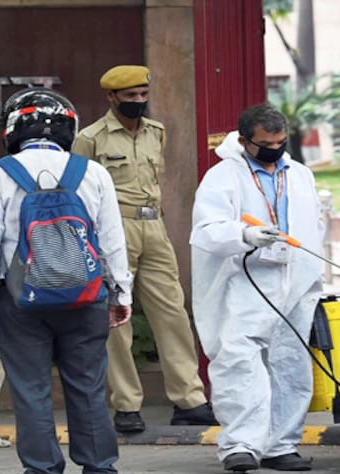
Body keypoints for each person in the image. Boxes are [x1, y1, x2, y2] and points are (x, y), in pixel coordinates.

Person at [0, 88, 133, 474]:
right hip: (87, 297)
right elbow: (112, 240)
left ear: (11, 129)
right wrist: (121, 291)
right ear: (69, 128)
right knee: (89, 385)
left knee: (31, 388)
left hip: (22, 301)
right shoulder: (92, 172)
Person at [71, 65, 217, 433]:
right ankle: (126, 405)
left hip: (154, 225)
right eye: (131, 96)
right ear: (111, 97)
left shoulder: (157, 132)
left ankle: (189, 399)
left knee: (173, 311)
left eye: (143, 95)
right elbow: (80, 192)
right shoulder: (90, 138)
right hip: (112, 228)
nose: (139, 102)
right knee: (116, 318)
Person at [189, 104, 324, 473]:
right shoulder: (223, 177)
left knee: (290, 363)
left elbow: (315, 225)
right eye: (266, 143)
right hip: (245, 279)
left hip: (294, 281)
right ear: (245, 141)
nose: (274, 149)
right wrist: (244, 234)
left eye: (281, 142)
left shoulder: (299, 175)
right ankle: (241, 445)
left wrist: (314, 278)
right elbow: (205, 232)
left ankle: (281, 444)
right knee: (239, 360)